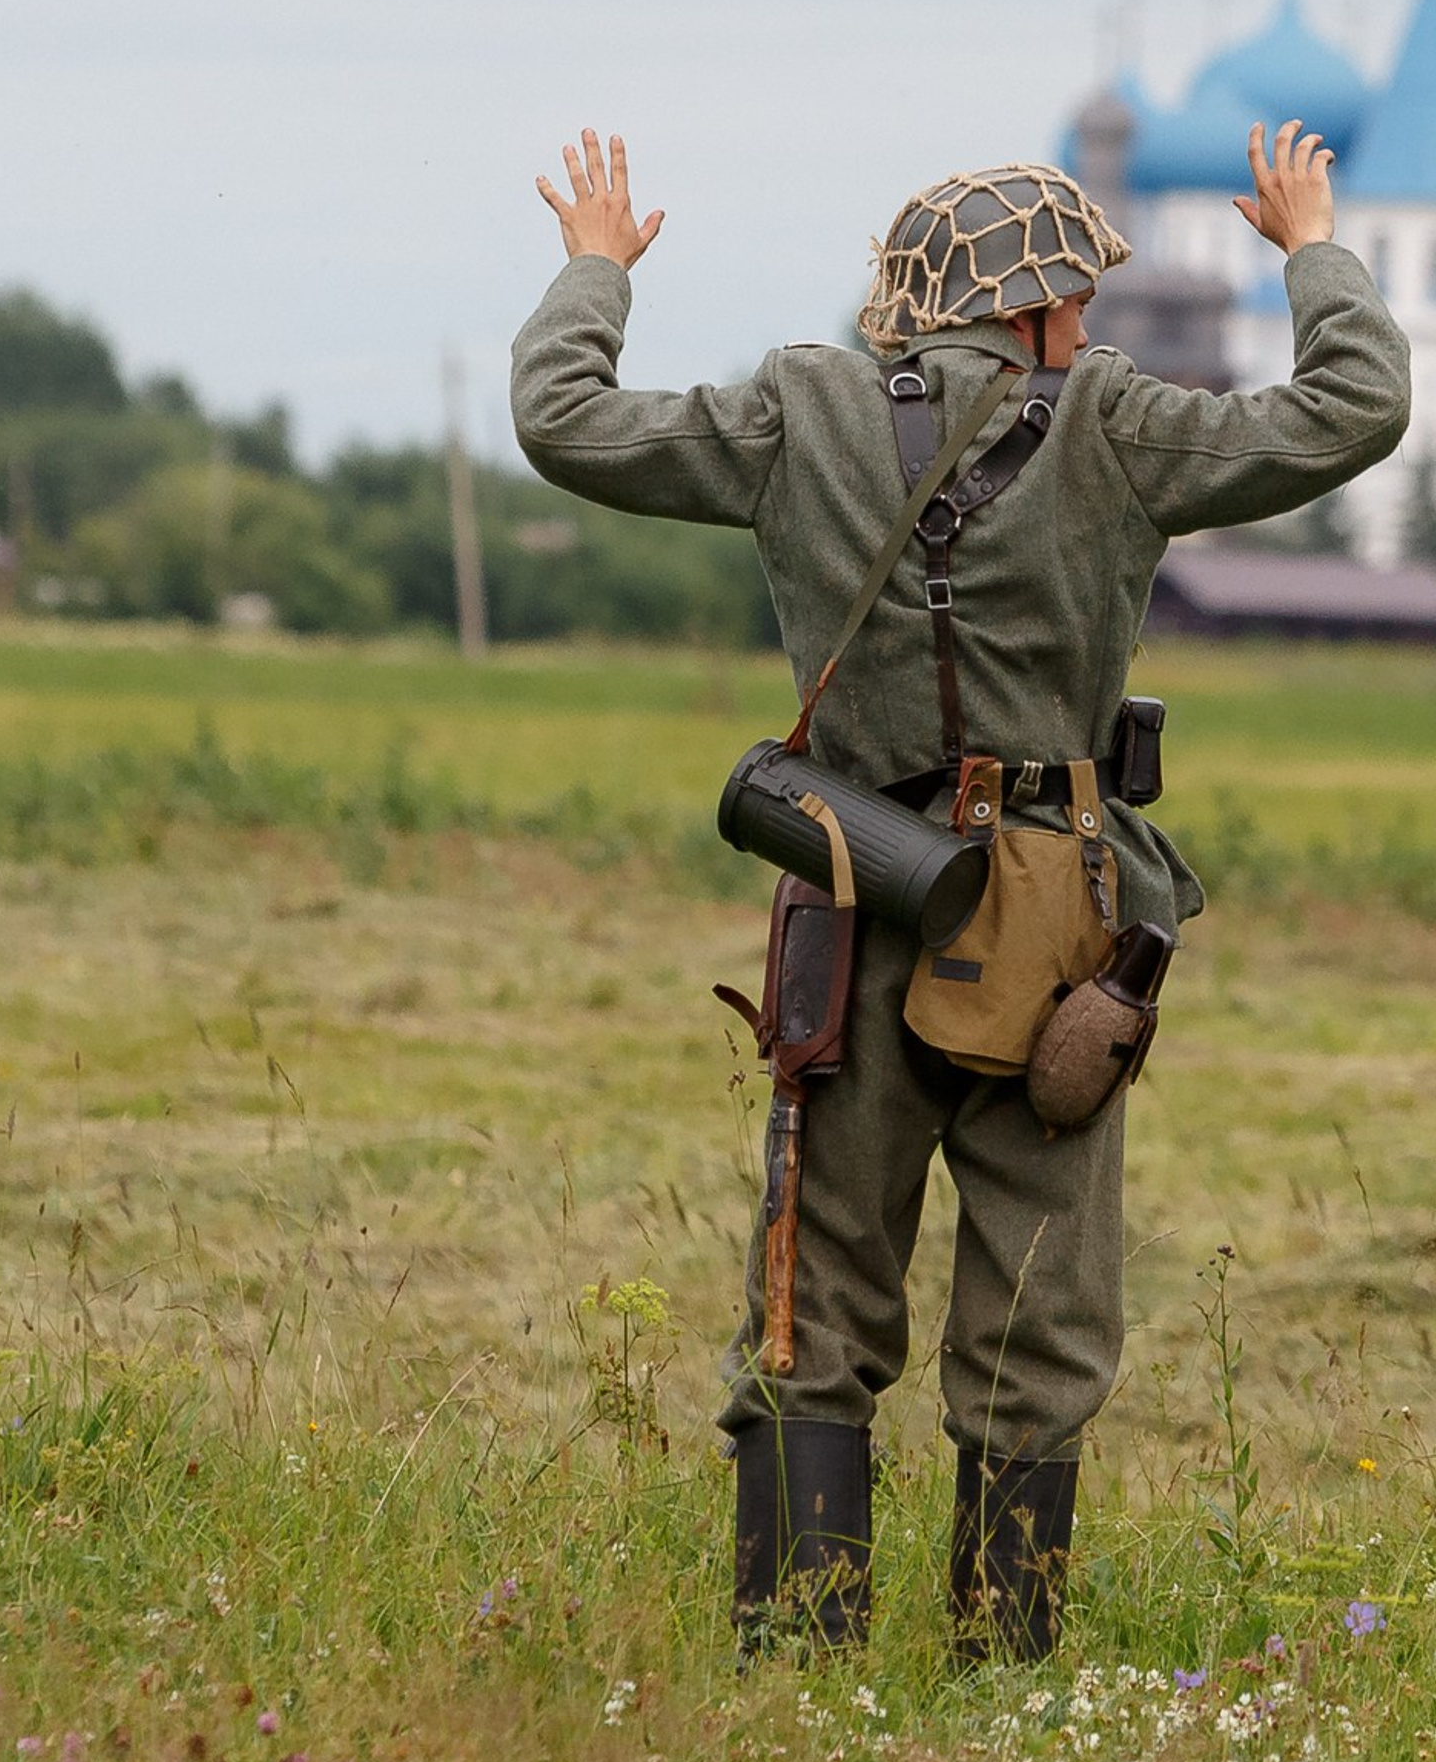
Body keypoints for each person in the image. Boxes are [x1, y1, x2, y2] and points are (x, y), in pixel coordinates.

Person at [509, 122, 1409, 1658]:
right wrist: (1313, 244)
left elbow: (563, 420)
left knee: (816, 1298)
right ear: (1049, 310)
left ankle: (802, 1659)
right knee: (1039, 1307)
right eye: (1085, 306)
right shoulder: (1116, 424)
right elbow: (1359, 404)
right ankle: (1001, 1665)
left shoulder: (800, 408)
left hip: (854, 899)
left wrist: (595, 268)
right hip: (1060, 930)